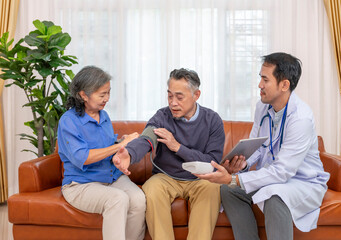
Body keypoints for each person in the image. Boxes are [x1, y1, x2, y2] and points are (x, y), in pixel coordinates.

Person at [195, 52, 330, 240]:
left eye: (265, 79)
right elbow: (257, 146)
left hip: (303, 182)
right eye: (260, 78)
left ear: (284, 85)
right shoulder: (262, 107)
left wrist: (233, 179)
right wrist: (241, 164)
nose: (259, 85)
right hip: (275, 178)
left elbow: (283, 172)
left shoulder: (301, 119)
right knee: (229, 191)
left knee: (275, 197)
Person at [114, 68, 236, 240]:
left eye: (179, 97)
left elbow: (212, 162)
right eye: (170, 96)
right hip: (166, 177)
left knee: (212, 188)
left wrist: (177, 147)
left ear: (196, 95)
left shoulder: (212, 120)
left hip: (200, 178)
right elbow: (147, 137)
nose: (173, 103)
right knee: (151, 188)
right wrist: (130, 154)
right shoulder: (162, 116)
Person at [57, 66, 146, 240]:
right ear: (83, 95)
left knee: (138, 199)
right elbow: (83, 157)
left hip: (111, 178)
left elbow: (106, 146)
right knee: (118, 199)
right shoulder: (69, 121)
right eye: (102, 94)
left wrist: (121, 143)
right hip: (80, 184)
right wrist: (119, 145)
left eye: (108, 92)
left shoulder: (103, 115)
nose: (107, 98)